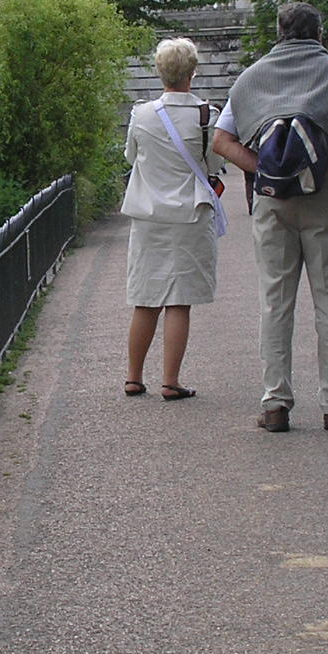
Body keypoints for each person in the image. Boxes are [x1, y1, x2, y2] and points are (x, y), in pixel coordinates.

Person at [212, 2, 328, 433]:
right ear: (320, 34)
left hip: (272, 201)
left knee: (274, 301)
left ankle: (275, 404)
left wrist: (269, 174)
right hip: (327, 198)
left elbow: (222, 141)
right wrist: (320, 171)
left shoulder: (251, 78)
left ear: (278, 32)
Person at [121, 38, 227, 402]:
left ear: (160, 71)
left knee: (145, 298)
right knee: (179, 301)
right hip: (190, 215)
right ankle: (170, 380)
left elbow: (131, 156)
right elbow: (214, 165)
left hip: (148, 215)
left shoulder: (142, 114)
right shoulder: (206, 115)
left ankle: (134, 377)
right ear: (192, 72)